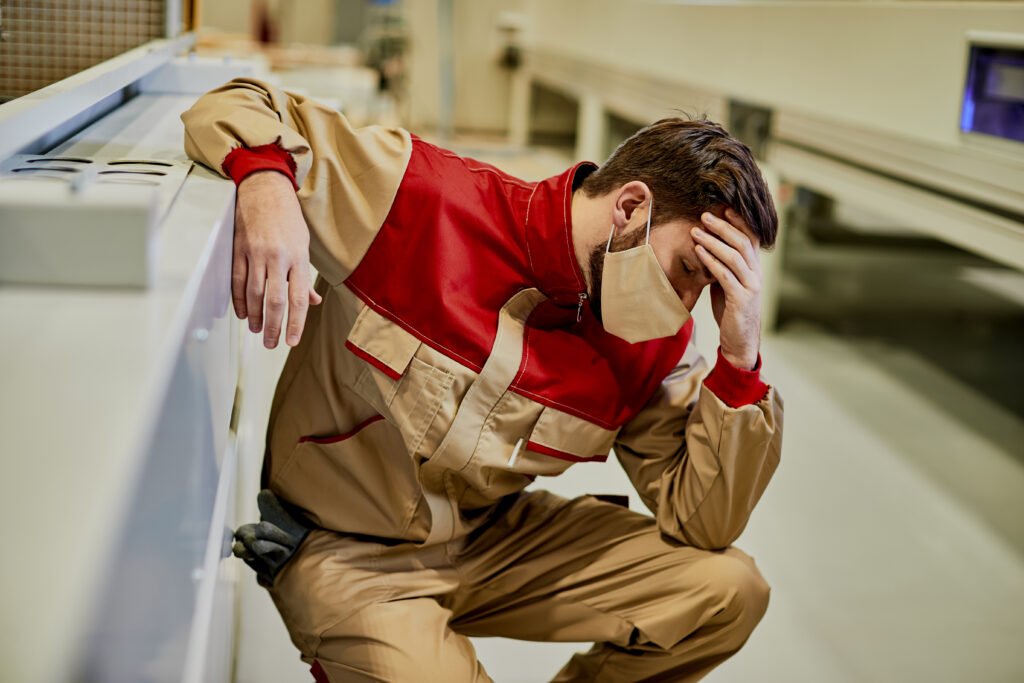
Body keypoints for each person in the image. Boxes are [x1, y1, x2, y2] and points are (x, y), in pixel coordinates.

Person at [181, 78, 783, 683]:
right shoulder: (418, 200)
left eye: (707, 289)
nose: (684, 305)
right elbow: (233, 103)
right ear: (630, 209)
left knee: (730, 590)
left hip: (488, 540)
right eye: (686, 270)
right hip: (345, 550)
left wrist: (739, 361)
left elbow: (701, 523)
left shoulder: (654, 343)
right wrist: (265, 185)